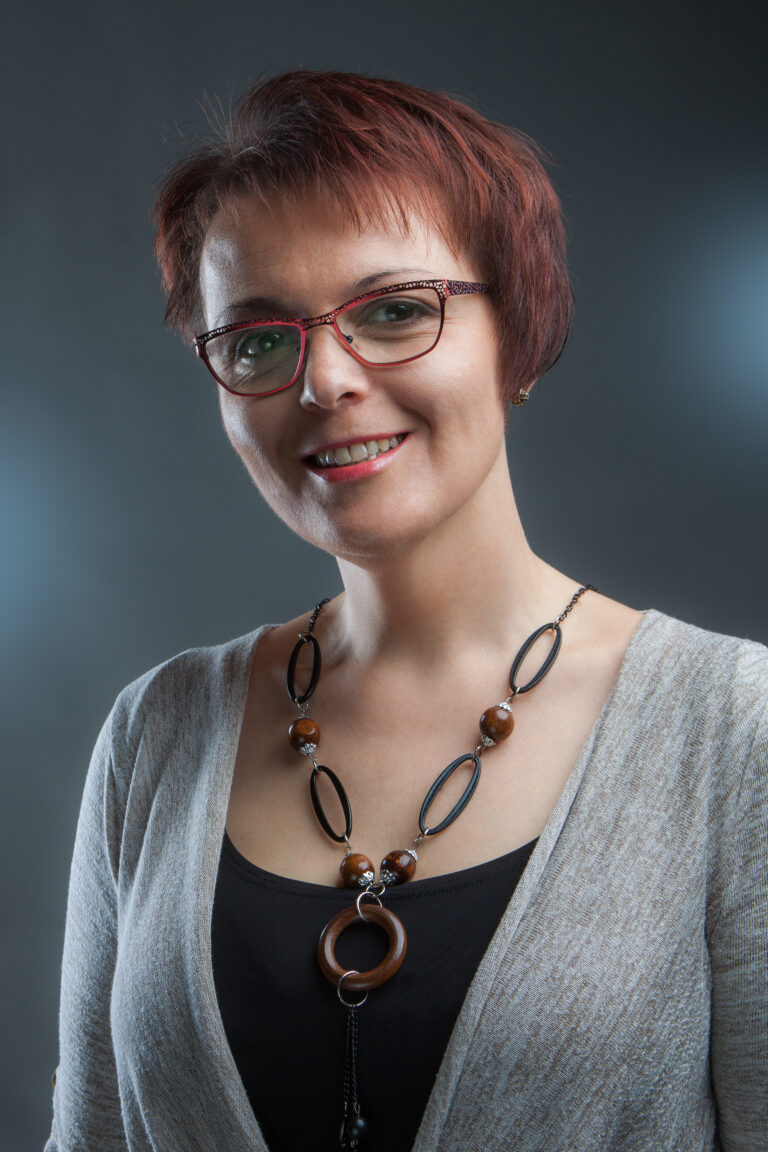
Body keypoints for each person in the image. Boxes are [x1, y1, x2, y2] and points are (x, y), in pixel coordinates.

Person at [46, 70, 767, 1152]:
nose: (324, 381)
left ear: (517, 331)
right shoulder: (155, 735)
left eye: (392, 311)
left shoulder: (733, 729)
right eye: (257, 340)